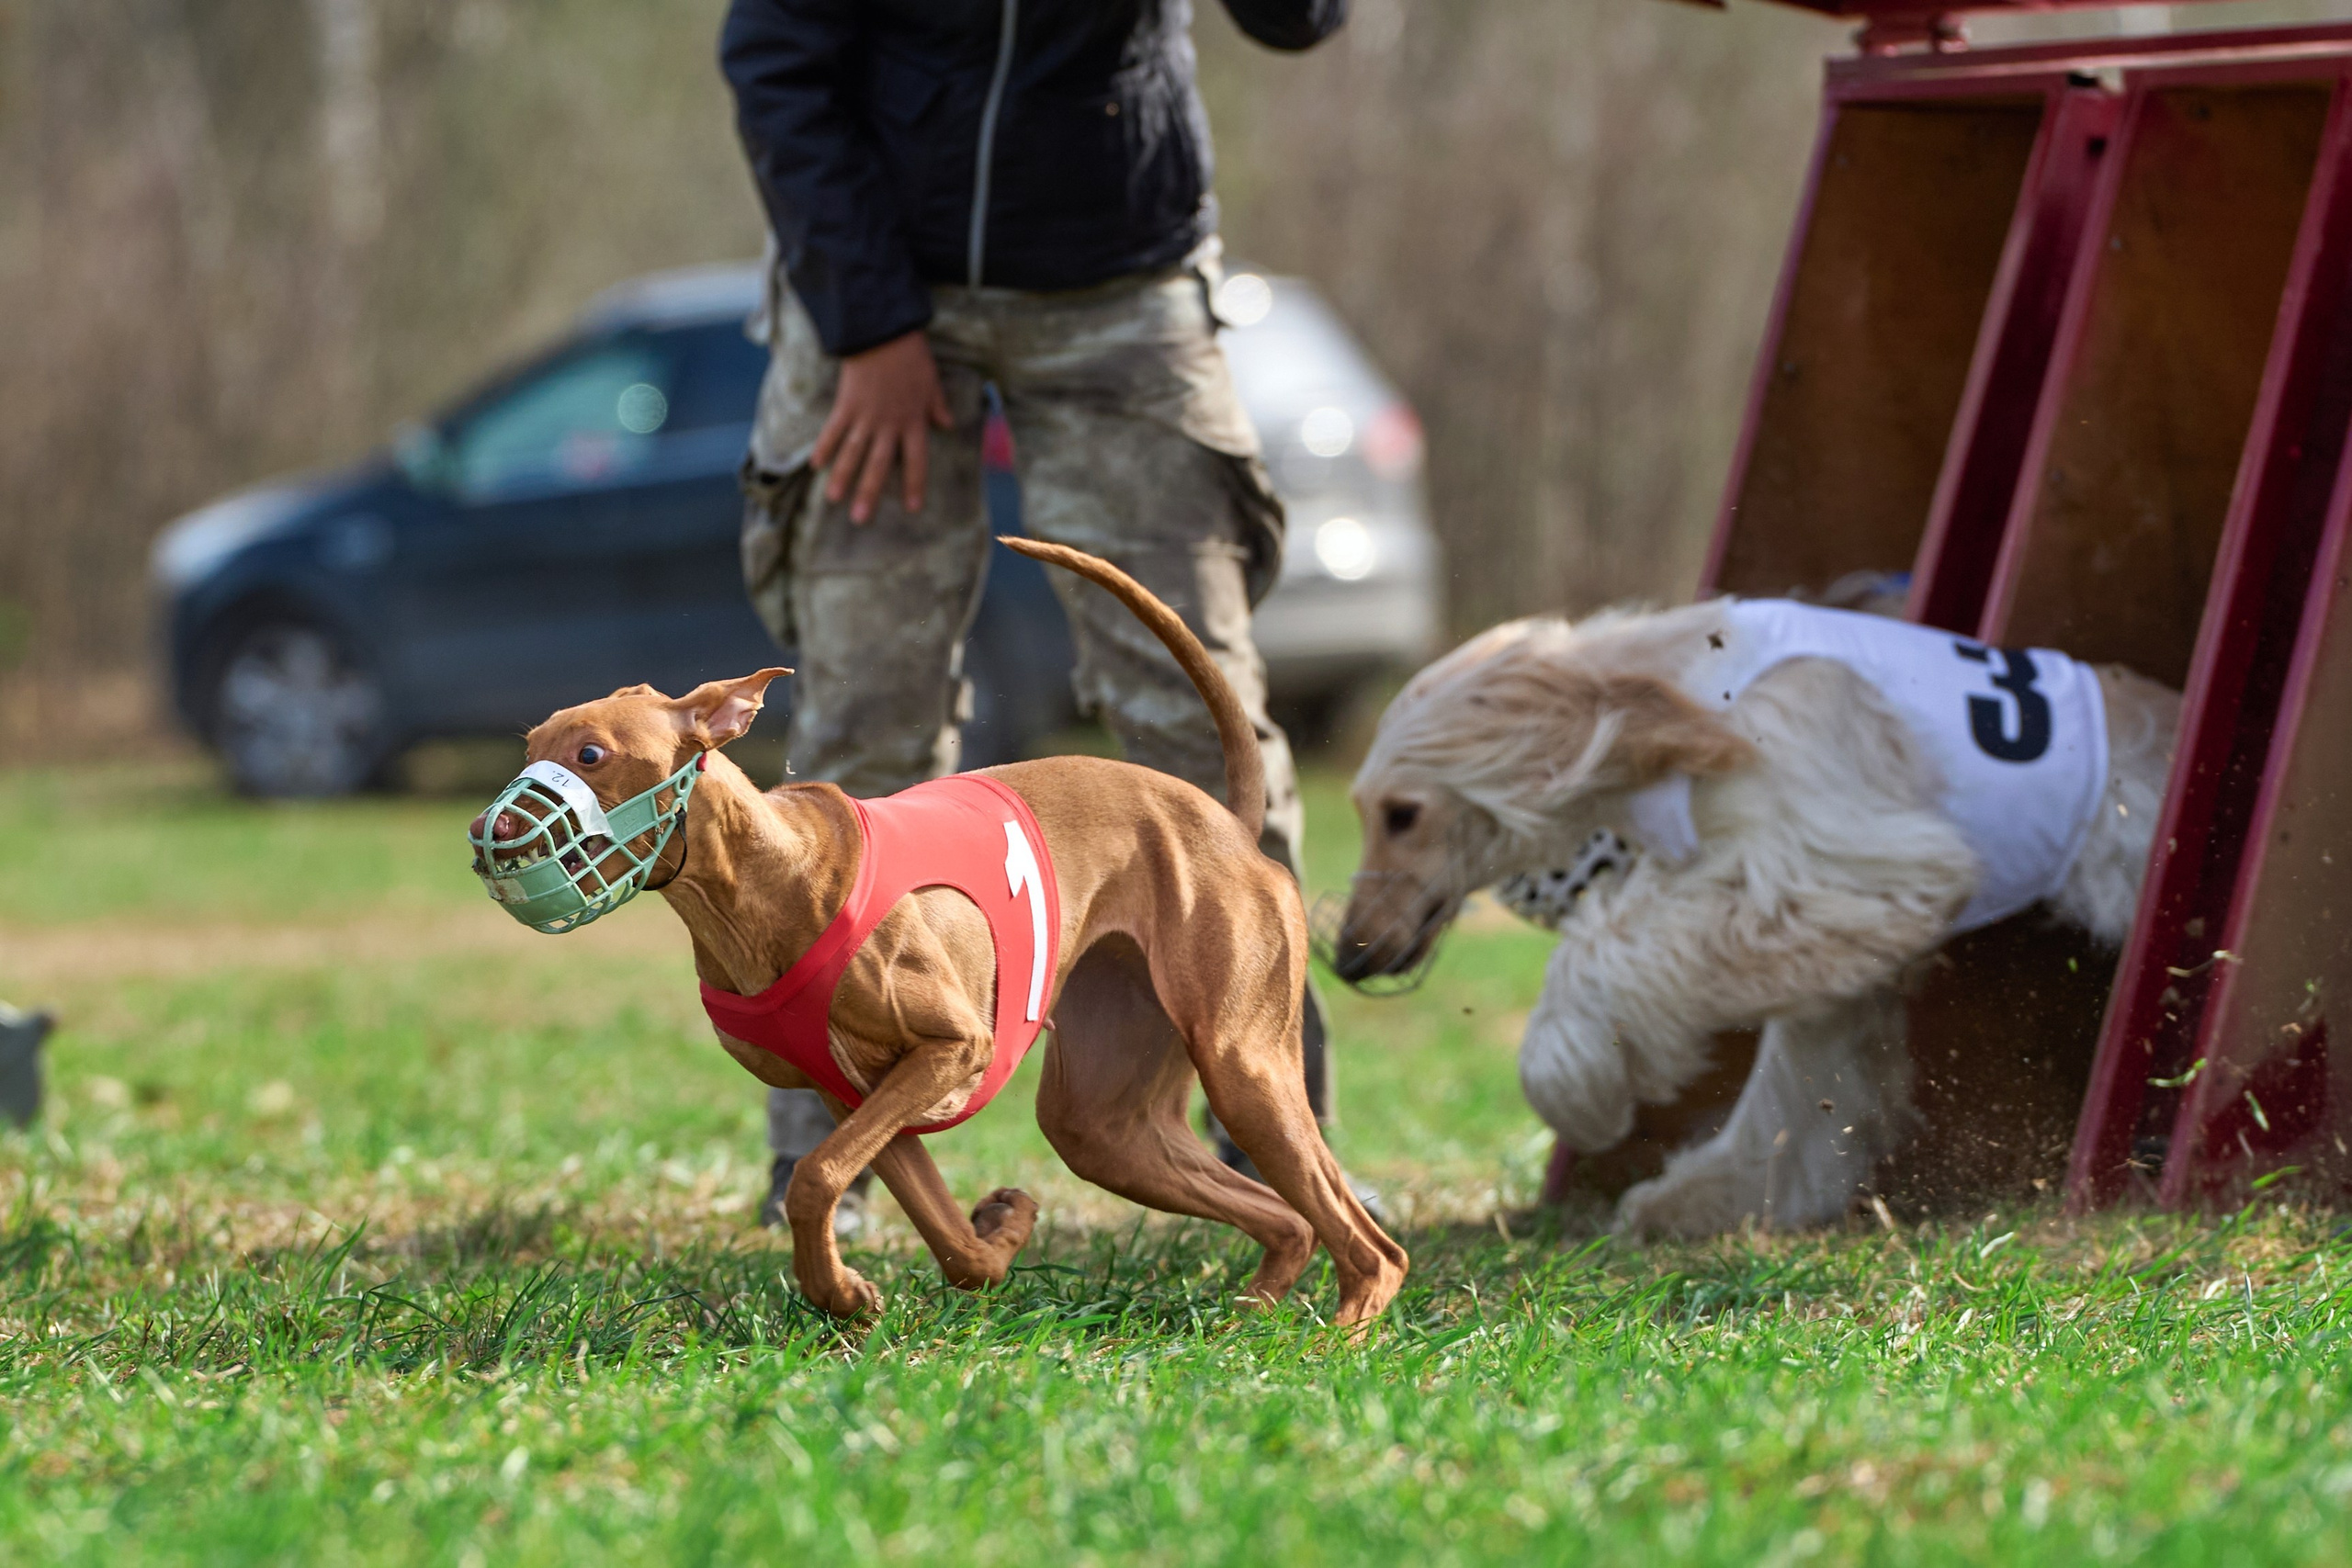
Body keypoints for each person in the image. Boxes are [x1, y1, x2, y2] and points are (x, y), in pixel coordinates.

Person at [718, 0, 1358, 1235]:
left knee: (1206, 728)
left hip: (1120, 284)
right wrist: (867, 321)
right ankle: (821, 1165)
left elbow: (1300, 21)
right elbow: (777, 57)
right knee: (864, 729)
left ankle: (1284, 1144)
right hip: (883, 288)